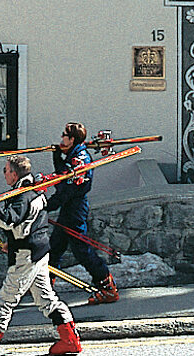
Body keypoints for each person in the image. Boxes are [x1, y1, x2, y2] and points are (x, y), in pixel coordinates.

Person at [0, 154, 82, 356]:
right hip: (39, 250)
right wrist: (14, 241)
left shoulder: (22, 196)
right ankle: (70, 340)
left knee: (5, 300)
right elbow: (33, 222)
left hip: (27, 255)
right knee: (46, 299)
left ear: (14, 173)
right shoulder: (35, 191)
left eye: (6, 170)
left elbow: (9, 220)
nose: (4, 174)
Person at [47, 122, 119, 305]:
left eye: (64, 135)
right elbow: (64, 176)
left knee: (82, 251)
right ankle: (45, 286)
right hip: (69, 207)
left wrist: (48, 205)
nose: (61, 138)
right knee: (55, 247)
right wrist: (58, 157)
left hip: (75, 208)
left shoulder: (81, 158)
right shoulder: (74, 154)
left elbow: (69, 187)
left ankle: (107, 287)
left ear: (71, 139)